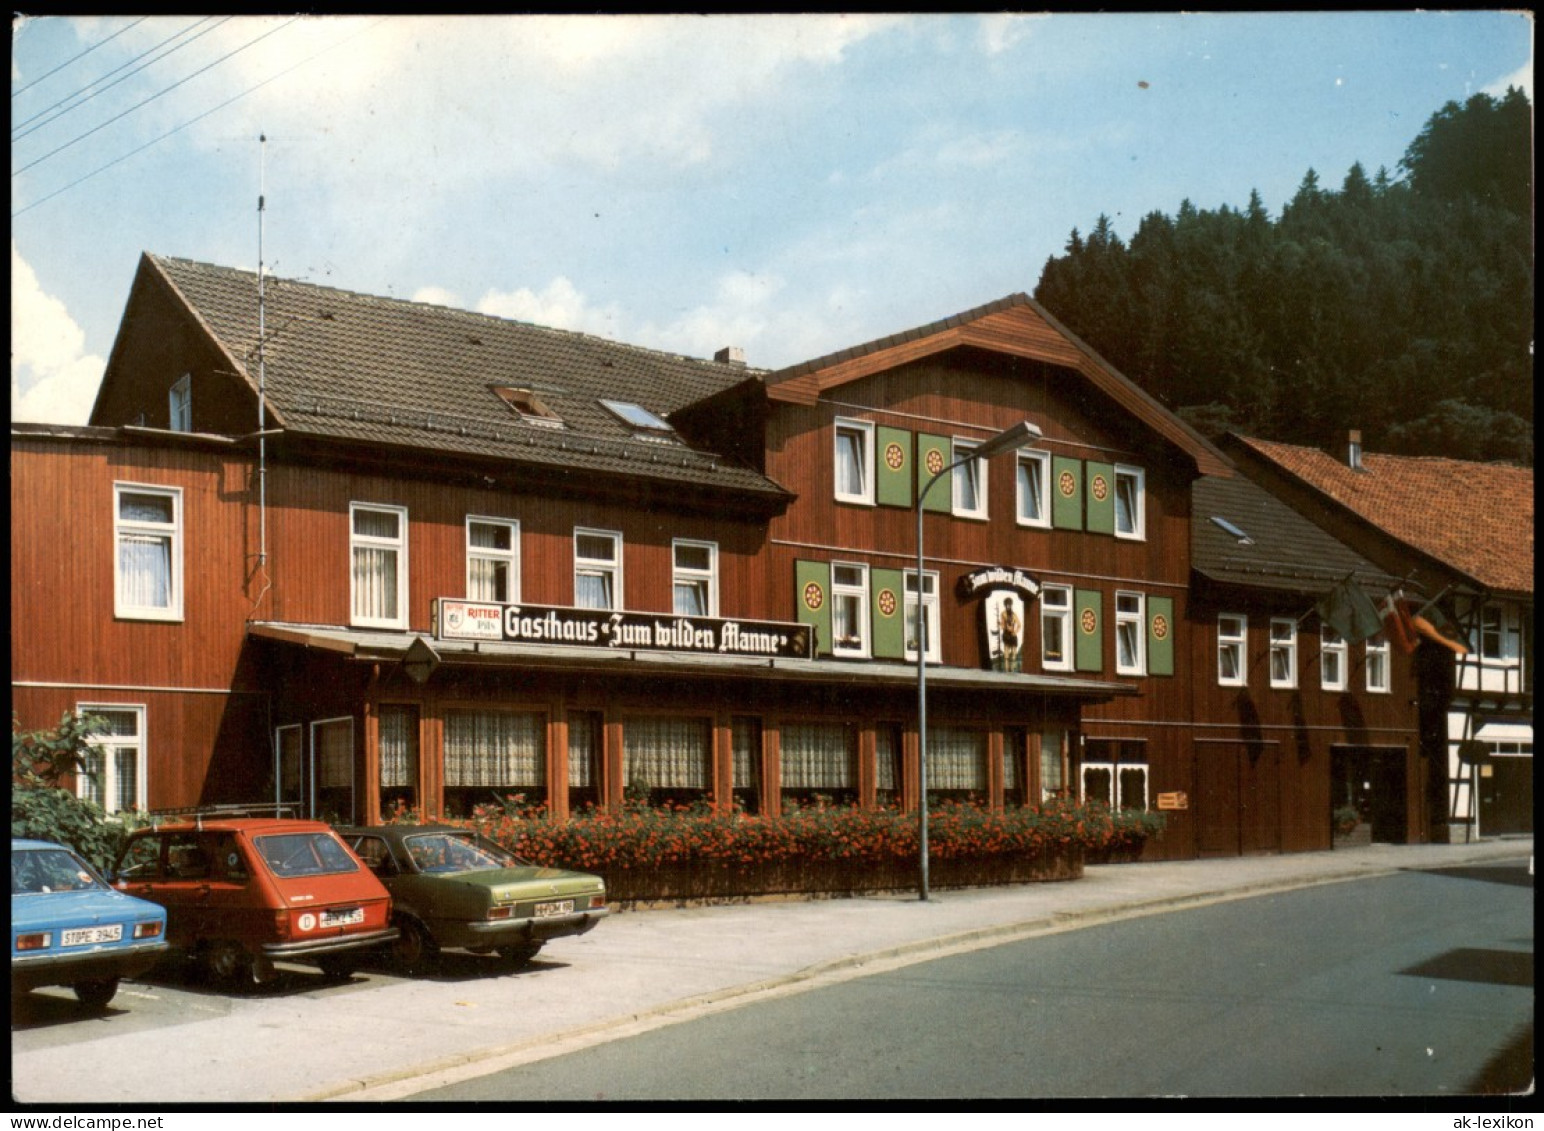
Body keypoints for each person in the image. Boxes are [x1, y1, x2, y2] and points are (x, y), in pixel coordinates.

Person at [998, 596, 1022, 672]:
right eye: (1007, 604)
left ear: (1011, 605)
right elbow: (1002, 625)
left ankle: (1012, 668)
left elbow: (1019, 624)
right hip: (1006, 634)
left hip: (1013, 635)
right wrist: (1002, 625)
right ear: (1005, 605)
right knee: (1006, 654)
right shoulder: (1003, 614)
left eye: (1009, 604)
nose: (1008, 606)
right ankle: (1006, 669)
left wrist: (1015, 631)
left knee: (1014, 653)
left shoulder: (1014, 615)